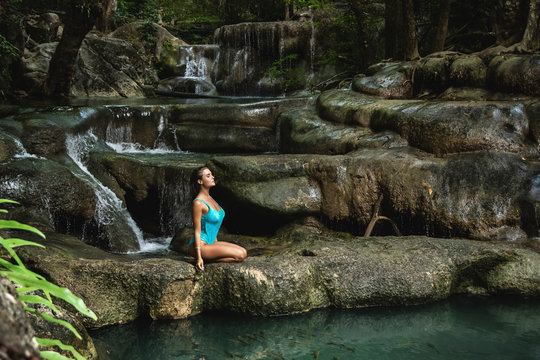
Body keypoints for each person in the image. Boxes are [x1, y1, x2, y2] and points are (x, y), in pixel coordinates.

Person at [187, 166, 247, 270]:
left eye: (211, 174)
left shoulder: (210, 199)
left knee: (244, 252)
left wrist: (216, 244)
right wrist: (199, 257)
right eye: (208, 176)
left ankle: (209, 259)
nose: (212, 177)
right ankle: (206, 260)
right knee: (240, 255)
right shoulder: (198, 203)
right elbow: (197, 231)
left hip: (211, 243)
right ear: (200, 181)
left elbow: (212, 225)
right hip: (201, 246)